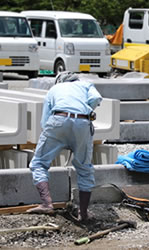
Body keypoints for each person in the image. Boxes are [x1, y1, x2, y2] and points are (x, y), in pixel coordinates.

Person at [26, 71, 102, 222]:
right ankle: (84, 213)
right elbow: (95, 98)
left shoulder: (53, 90)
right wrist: (88, 111)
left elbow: (44, 121)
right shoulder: (85, 85)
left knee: (39, 163)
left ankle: (47, 204)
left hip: (58, 119)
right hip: (82, 122)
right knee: (84, 167)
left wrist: (55, 137)